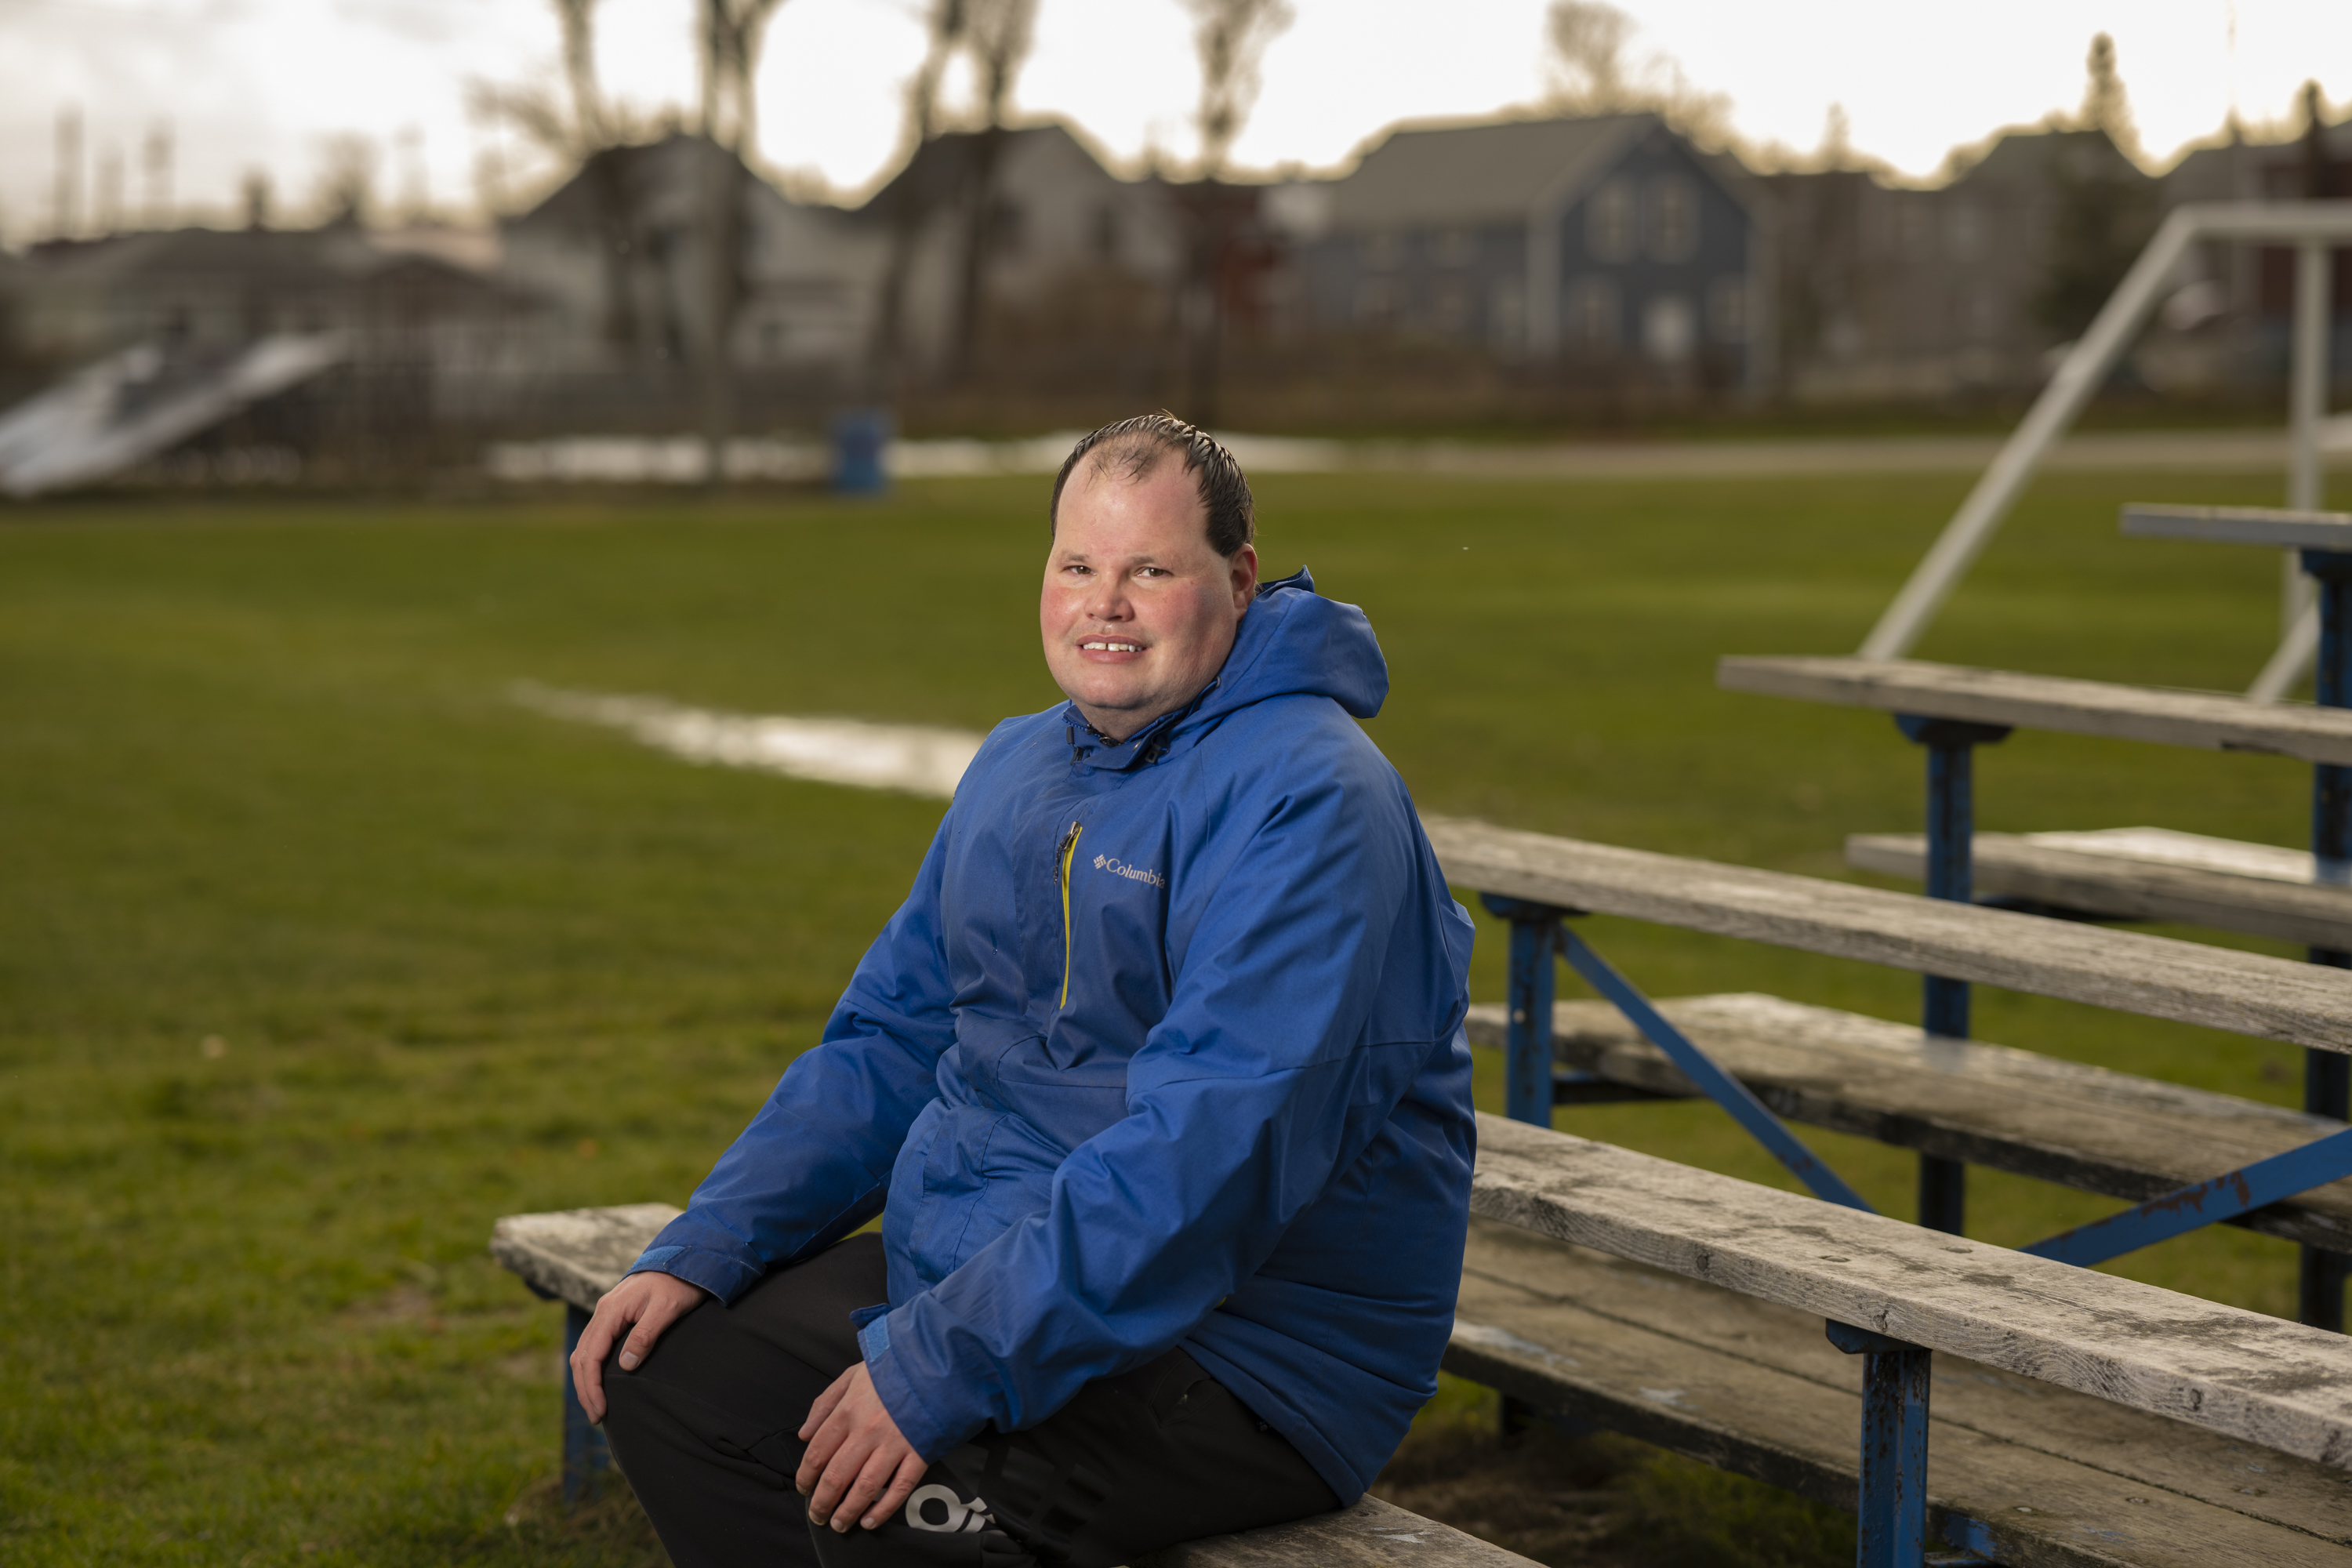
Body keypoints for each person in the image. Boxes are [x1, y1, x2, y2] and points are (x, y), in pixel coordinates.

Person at [570, 413, 1477, 1568]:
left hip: (1250, 1346)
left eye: (1150, 570)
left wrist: (937, 1370)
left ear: (1238, 580)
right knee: (674, 1378)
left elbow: (1210, 1159)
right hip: (996, 1264)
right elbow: (893, 1042)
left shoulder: (1312, 799)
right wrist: (708, 1243)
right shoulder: (1019, 763)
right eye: (1077, 568)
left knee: (890, 1512)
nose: (1106, 604)